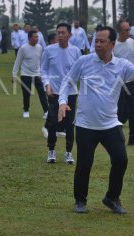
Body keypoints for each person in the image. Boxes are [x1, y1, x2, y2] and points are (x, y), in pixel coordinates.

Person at [58, 26, 134, 214]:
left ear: (112, 44)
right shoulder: (84, 61)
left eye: (102, 41)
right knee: (84, 164)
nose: (98, 44)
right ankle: (80, 201)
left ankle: (112, 198)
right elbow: (67, 81)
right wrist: (63, 102)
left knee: (121, 160)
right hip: (86, 125)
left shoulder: (121, 65)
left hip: (110, 124)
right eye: (96, 41)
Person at [41, 23, 81, 164]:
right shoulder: (49, 50)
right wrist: (47, 84)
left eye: (63, 32)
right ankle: (51, 150)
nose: (60, 35)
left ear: (69, 34)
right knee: (53, 122)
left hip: (70, 93)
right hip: (54, 92)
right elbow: (44, 69)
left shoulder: (76, 51)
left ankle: (68, 152)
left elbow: (80, 71)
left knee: (70, 124)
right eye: (58, 33)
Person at [12, 30, 48, 119]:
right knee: (26, 94)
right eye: (35, 37)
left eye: (37, 37)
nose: (37, 38)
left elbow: (41, 61)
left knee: (42, 93)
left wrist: (42, 73)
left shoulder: (39, 48)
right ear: (29, 38)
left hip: (37, 74)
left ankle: (46, 111)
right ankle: (26, 110)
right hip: (25, 74)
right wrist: (14, 74)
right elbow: (17, 62)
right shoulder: (23, 48)